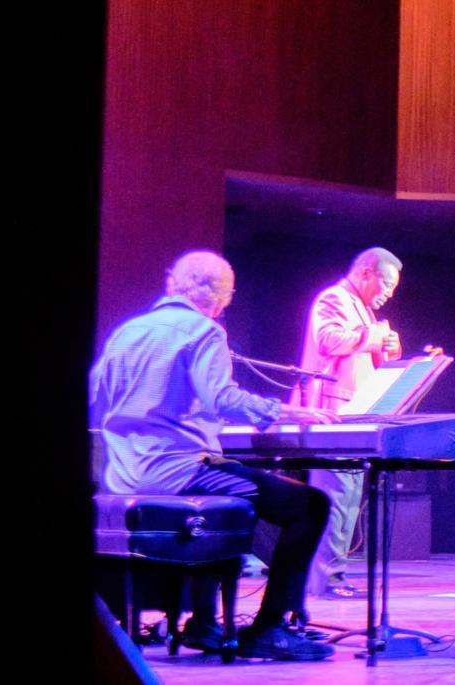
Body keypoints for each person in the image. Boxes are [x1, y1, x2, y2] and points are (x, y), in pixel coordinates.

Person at [92, 250, 338, 661]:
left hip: (124, 476)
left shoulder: (127, 332)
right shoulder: (204, 332)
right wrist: (286, 411)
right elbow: (221, 398)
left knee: (229, 495)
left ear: (173, 283)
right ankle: (269, 629)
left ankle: (204, 622)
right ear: (222, 297)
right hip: (178, 471)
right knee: (307, 503)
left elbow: (95, 397)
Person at [292, 247, 404, 601]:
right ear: (366, 273)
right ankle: (326, 580)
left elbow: (365, 357)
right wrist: (374, 336)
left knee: (349, 498)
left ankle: (333, 576)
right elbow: (329, 340)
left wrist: (390, 347)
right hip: (332, 413)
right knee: (336, 497)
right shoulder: (334, 297)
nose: (389, 292)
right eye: (386, 282)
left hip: (356, 414)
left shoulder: (365, 309)